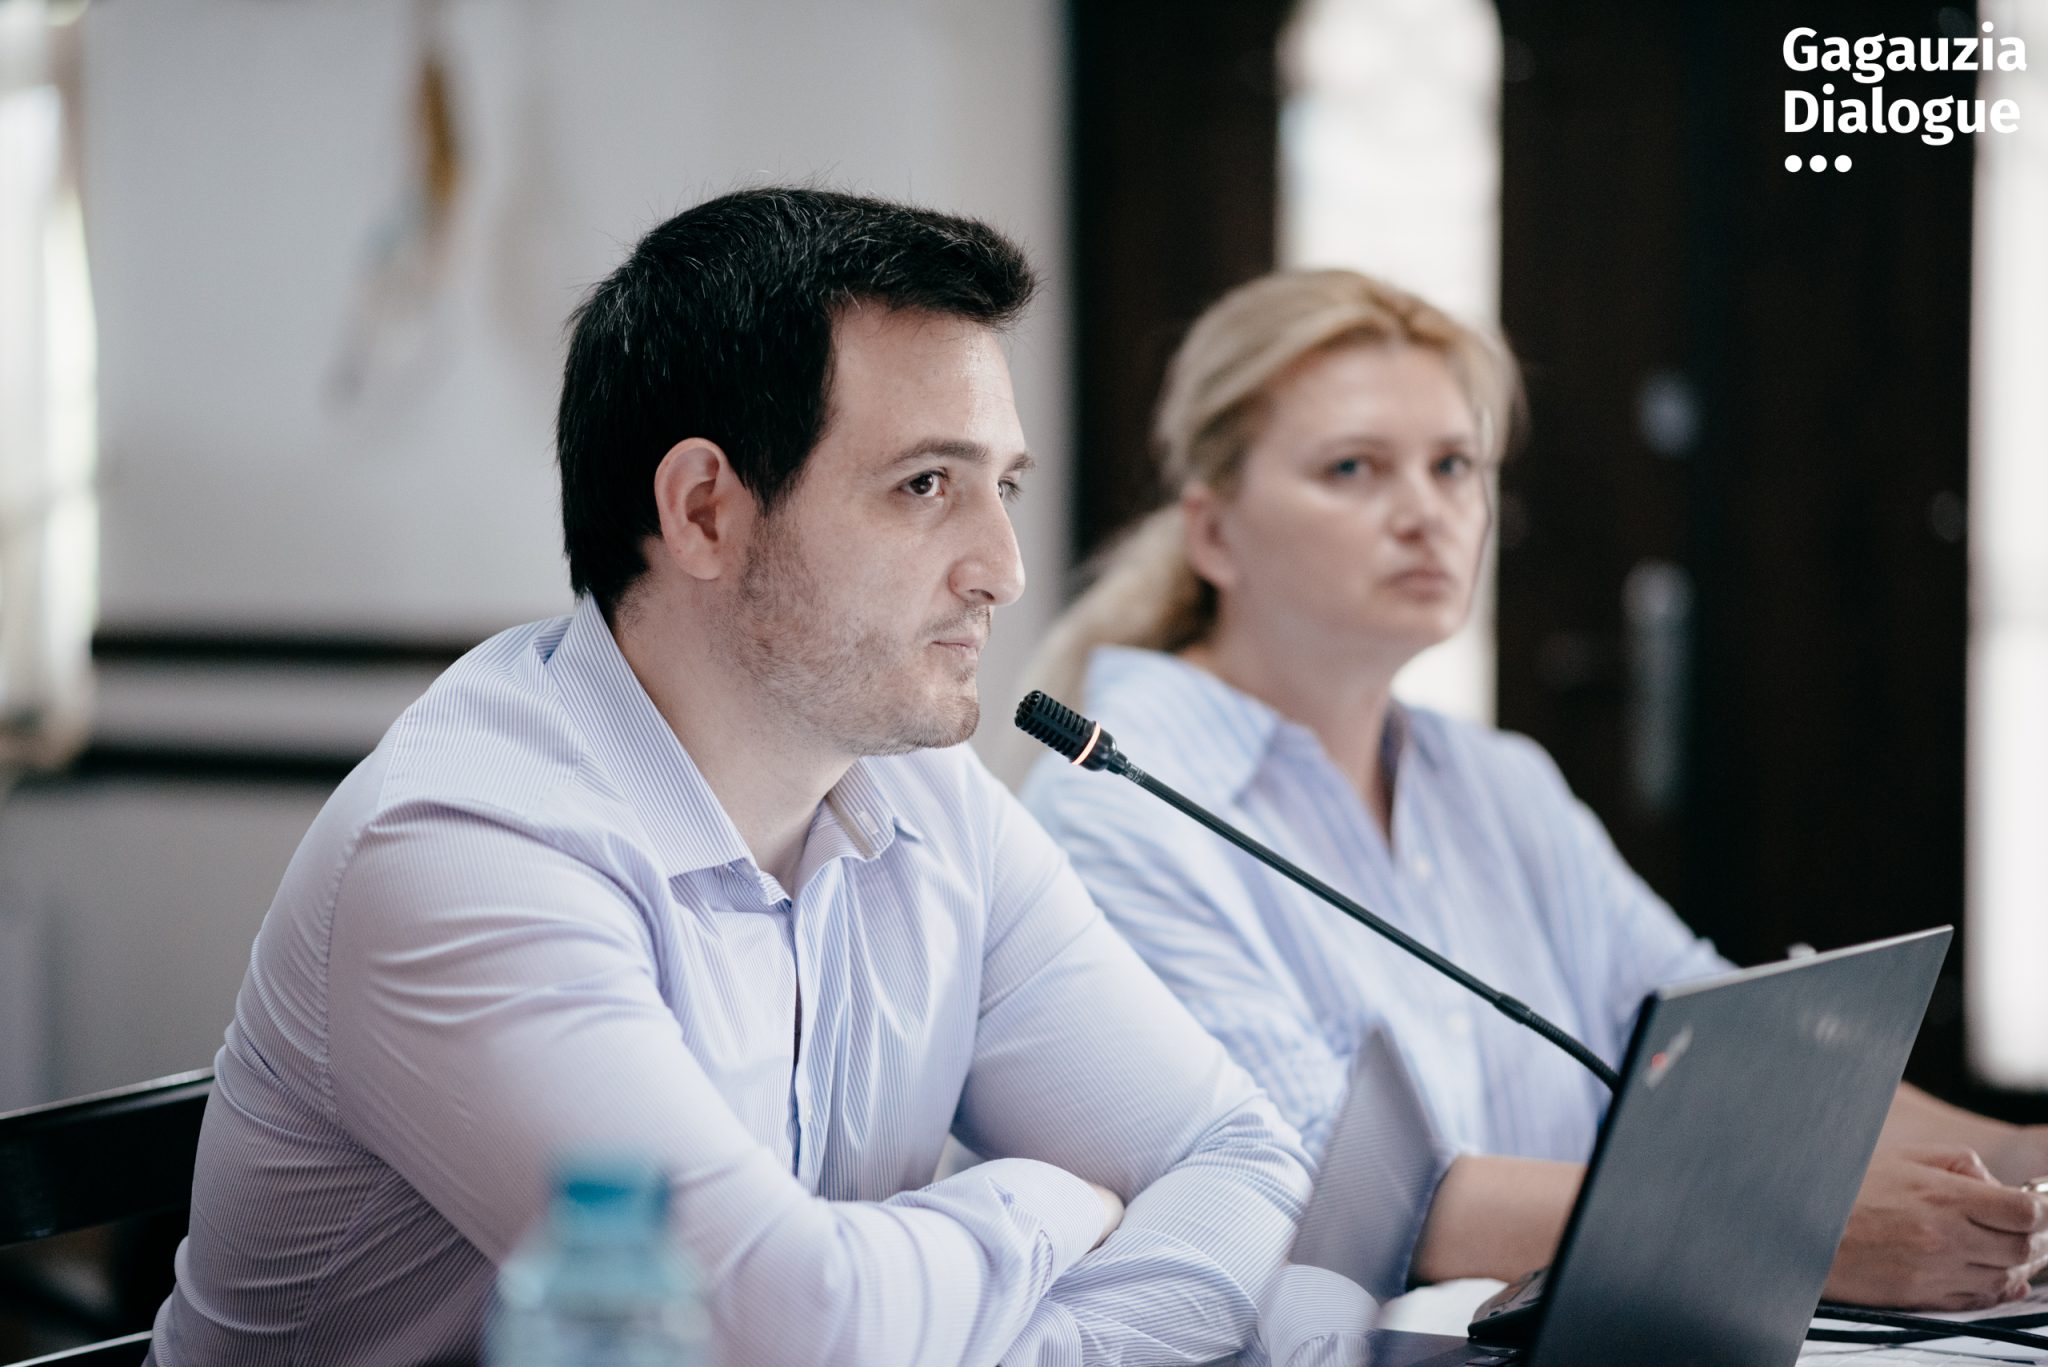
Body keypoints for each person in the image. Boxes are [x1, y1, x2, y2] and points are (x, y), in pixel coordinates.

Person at [145, 188, 1317, 1367]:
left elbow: (1241, 1156)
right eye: (925, 484)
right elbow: (783, 1328)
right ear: (705, 510)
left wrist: (1035, 1345)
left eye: (999, 486)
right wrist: (1050, 1199)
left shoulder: (927, 797)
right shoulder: (462, 849)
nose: (1002, 569)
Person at [1018, 267, 2048, 1314]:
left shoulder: (1499, 783)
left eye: (1453, 465)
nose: (1424, 512)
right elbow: (1330, 1196)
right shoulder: (1116, 805)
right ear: (1212, 533)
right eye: (1352, 467)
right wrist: (1800, 1231)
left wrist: (2016, 1159)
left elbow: (1721, 1061)